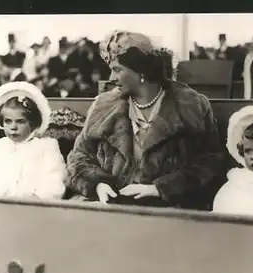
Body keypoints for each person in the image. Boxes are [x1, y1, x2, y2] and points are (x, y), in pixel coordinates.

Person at [65, 30, 226, 209]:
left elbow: (211, 162)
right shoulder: (104, 106)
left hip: (169, 210)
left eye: (117, 70)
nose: (111, 78)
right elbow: (78, 156)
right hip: (112, 207)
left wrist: (160, 189)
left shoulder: (191, 105)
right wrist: (97, 185)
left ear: (140, 70)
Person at [0, 82, 66, 199]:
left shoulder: (46, 146)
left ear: (32, 123)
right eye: (8, 121)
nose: (13, 127)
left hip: (32, 207)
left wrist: (36, 198)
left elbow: (54, 181)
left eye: (20, 121)